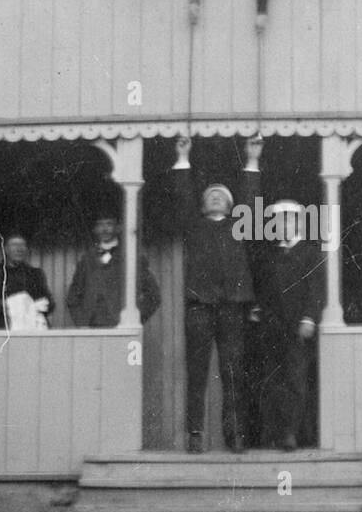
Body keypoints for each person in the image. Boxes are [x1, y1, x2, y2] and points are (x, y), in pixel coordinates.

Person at [172, 135, 261, 452]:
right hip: (199, 308)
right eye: (210, 195)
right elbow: (182, 196)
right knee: (196, 374)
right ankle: (195, 436)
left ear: (231, 205)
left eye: (221, 195)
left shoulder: (240, 225)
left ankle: (235, 435)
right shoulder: (193, 226)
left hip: (232, 309)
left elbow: (251, 199)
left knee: (233, 373)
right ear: (202, 205)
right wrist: (183, 157)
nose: (214, 197)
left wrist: (252, 160)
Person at [251, 200, 325, 451]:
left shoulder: (310, 253)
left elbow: (316, 289)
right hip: (272, 327)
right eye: (279, 221)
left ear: (299, 223)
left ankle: (291, 434)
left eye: (290, 220)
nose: (284, 225)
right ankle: (273, 434)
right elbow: (263, 289)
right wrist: (258, 310)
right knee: (272, 380)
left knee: (296, 380)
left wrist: (309, 318)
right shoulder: (269, 254)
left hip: (297, 327)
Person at [66, 209, 160, 327]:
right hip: (91, 328)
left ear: (118, 228)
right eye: (100, 225)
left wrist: (134, 319)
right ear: (95, 229)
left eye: (109, 224)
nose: (104, 229)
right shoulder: (86, 260)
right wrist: (81, 322)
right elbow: (73, 297)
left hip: (122, 327)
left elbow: (154, 296)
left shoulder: (132, 257)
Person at [0, 235, 56, 330]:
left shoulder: (35, 274)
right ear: (5, 249)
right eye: (14, 245)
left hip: (33, 329)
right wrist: (11, 305)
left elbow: (50, 304)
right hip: (3, 329)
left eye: (22, 245)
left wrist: (33, 306)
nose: (19, 249)